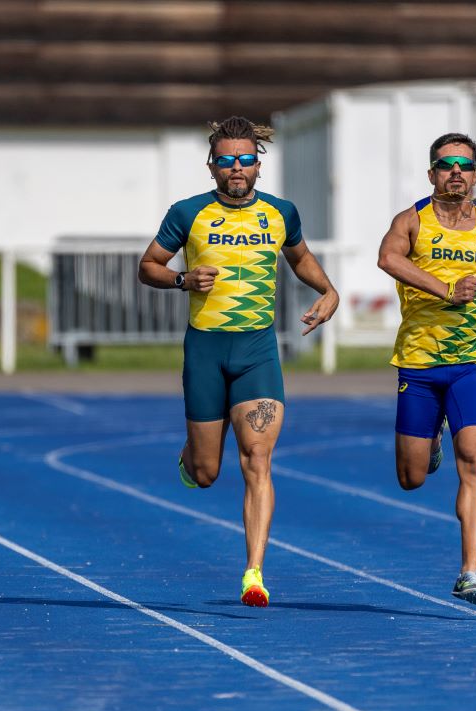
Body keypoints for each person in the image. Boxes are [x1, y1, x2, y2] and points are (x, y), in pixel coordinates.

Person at [138, 116, 339, 607]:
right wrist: (183, 281)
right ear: (212, 166)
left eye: (246, 160)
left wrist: (328, 290)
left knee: (257, 460)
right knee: (207, 472)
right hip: (205, 351)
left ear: (258, 165)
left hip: (256, 352)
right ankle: (191, 455)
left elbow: (300, 257)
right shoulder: (188, 213)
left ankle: (254, 572)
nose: (236, 168)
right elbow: (148, 267)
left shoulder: (281, 213)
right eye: (226, 160)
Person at [376, 133, 476, 606]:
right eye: (446, 165)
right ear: (432, 174)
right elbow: (387, 259)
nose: (455, 172)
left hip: (472, 361)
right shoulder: (411, 222)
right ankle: (432, 436)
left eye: (464, 164)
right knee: (411, 478)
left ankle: (469, 572)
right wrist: (444, 289)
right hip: (419, 362)